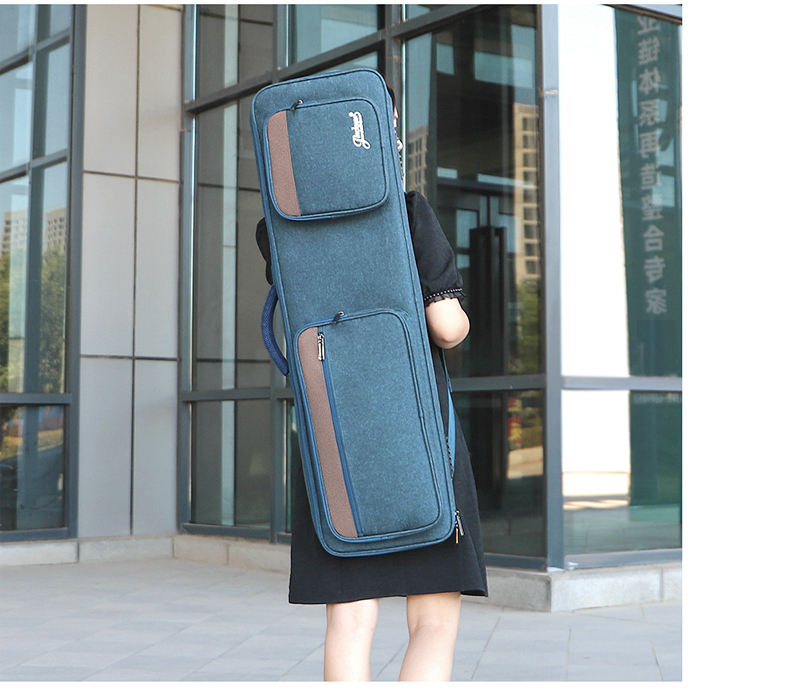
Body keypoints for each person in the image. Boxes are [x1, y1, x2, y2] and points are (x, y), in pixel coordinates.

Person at [254, 81, 488, 682]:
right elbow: (446, 327)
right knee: (433, 622)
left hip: (331, 433)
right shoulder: (407, 213)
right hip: (416, 431)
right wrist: (460, 314)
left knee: (350, 620)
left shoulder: (275, 229)